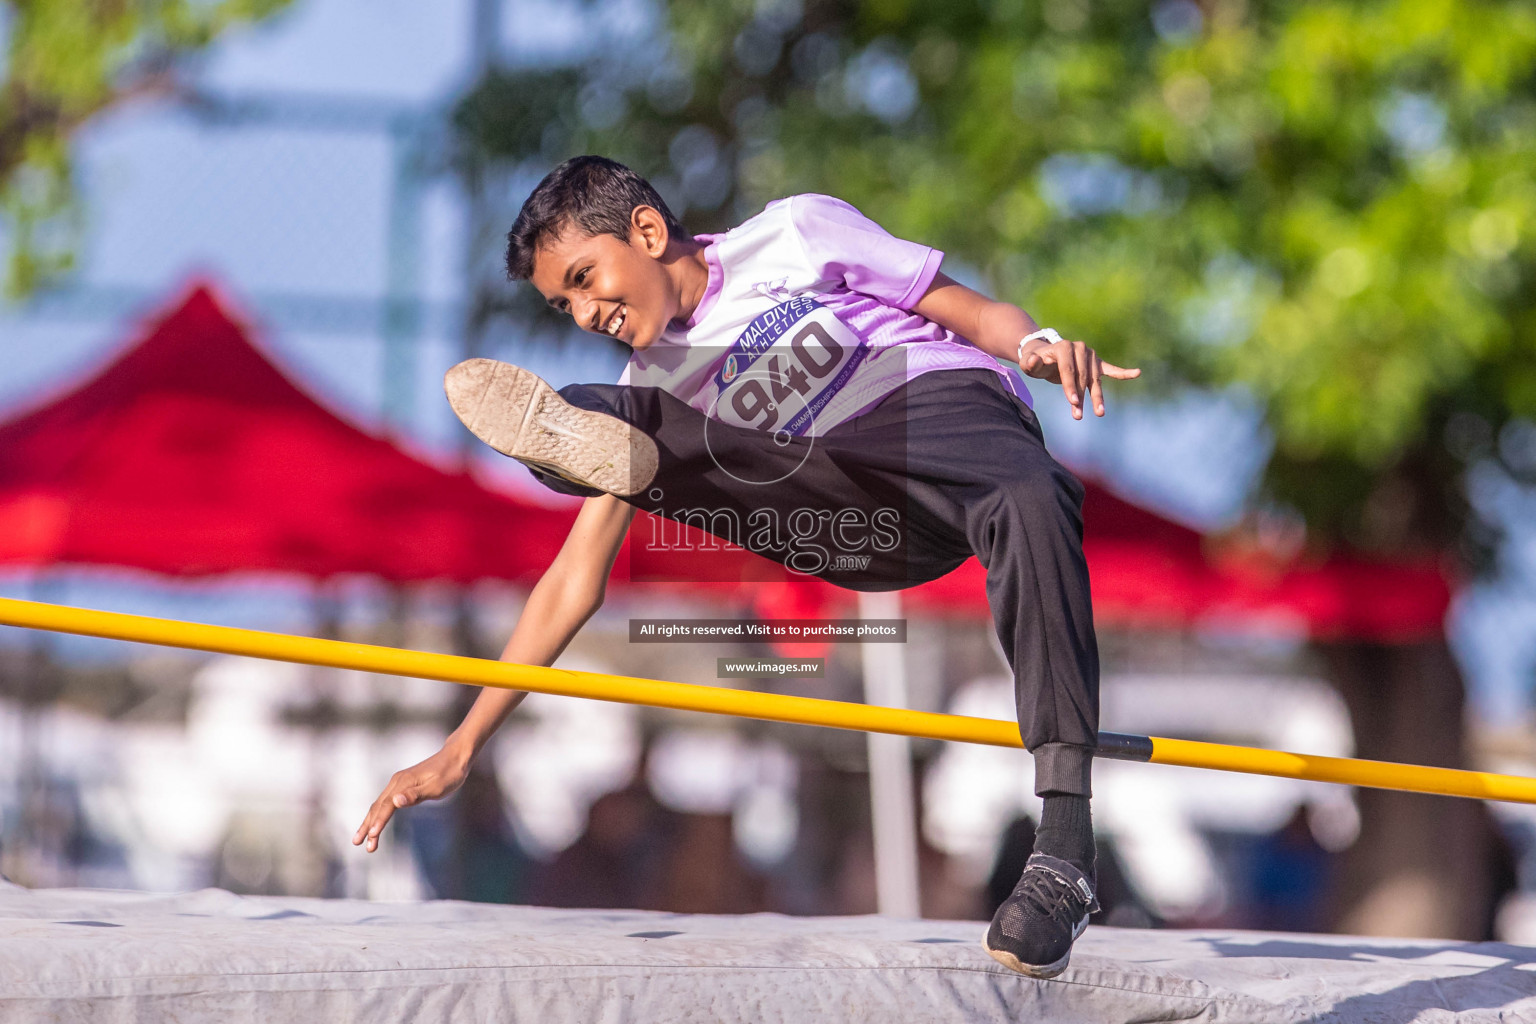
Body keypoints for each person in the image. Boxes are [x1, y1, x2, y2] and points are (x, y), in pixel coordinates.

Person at [352, 155, 1140, 979]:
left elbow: (966, 309)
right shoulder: (655, 381)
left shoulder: (793, 233)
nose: (586, 312)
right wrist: (465, 743)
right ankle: (577, 431)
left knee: (1030, 493)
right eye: (564, 304)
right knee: (649, 425)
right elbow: (573, 579)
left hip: (935, 418)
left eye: (587, 279)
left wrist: (1035, 344)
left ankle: (1062, 855)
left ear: (648, 232)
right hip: (848, 522)